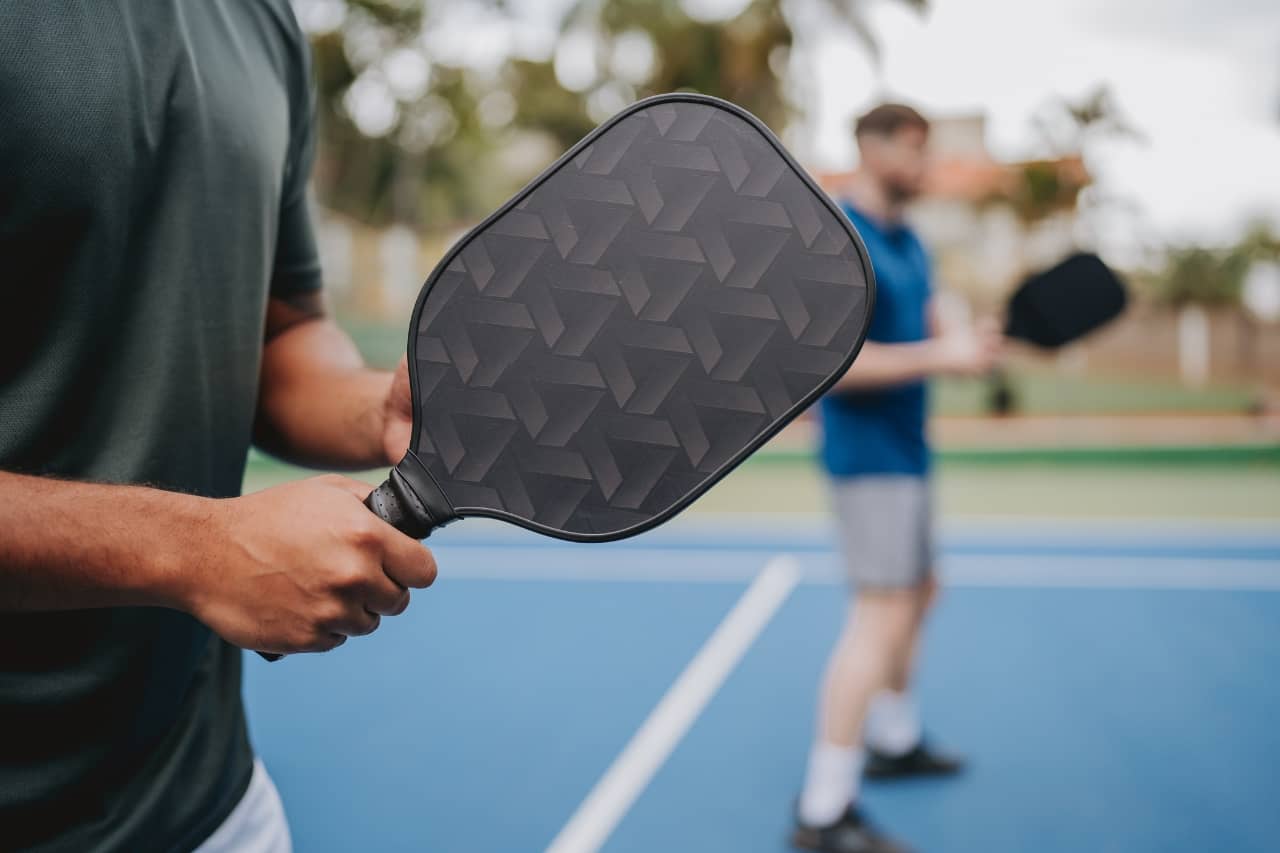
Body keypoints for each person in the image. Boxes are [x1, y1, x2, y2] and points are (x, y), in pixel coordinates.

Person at [0, 3, 438, 851]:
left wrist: (374, 407)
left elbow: (280, 334)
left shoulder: (259, 21)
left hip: (210, 804)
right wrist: (198, 550)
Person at [791, 104, 1003, 853]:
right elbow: (829, 367)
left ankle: (894, 737)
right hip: (868, 458)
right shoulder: (840, 240)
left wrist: (965, 344)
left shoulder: (911, 241)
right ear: (870, 147)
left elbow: (931, 334)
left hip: (910, 452)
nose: (924, 161)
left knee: (921, 589)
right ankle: (822, 811)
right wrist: (940, 358)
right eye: (912, 147)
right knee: (878, 616)